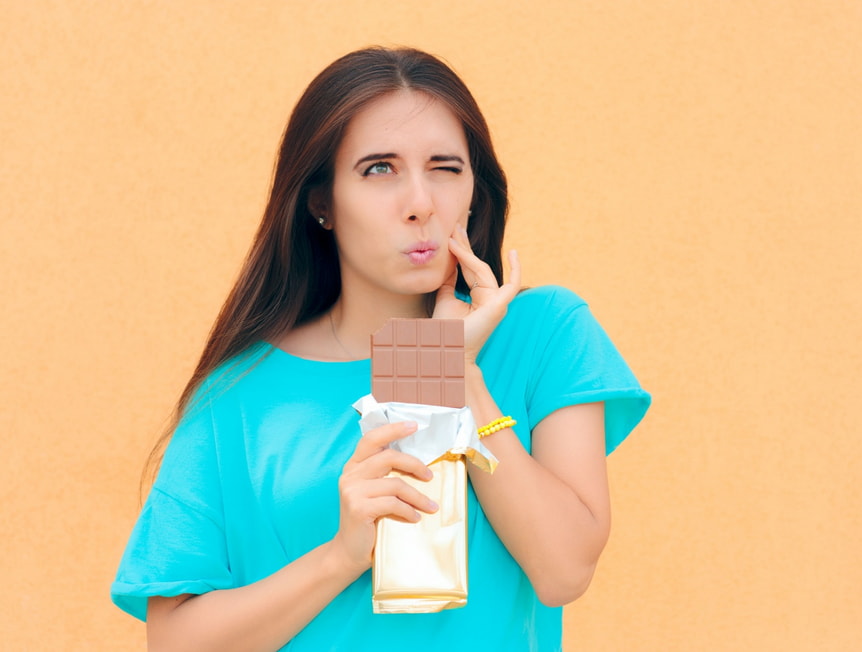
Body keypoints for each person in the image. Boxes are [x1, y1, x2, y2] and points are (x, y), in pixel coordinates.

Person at [112, 46, 650, 651]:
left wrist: (447, 365)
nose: (421, 203)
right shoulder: (238, 396)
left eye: (446, 167)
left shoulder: (544, 332)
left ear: (476, 189)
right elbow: (174, 643)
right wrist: (339, 557)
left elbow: (564, 570)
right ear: (322, 204)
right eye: (378, 169)